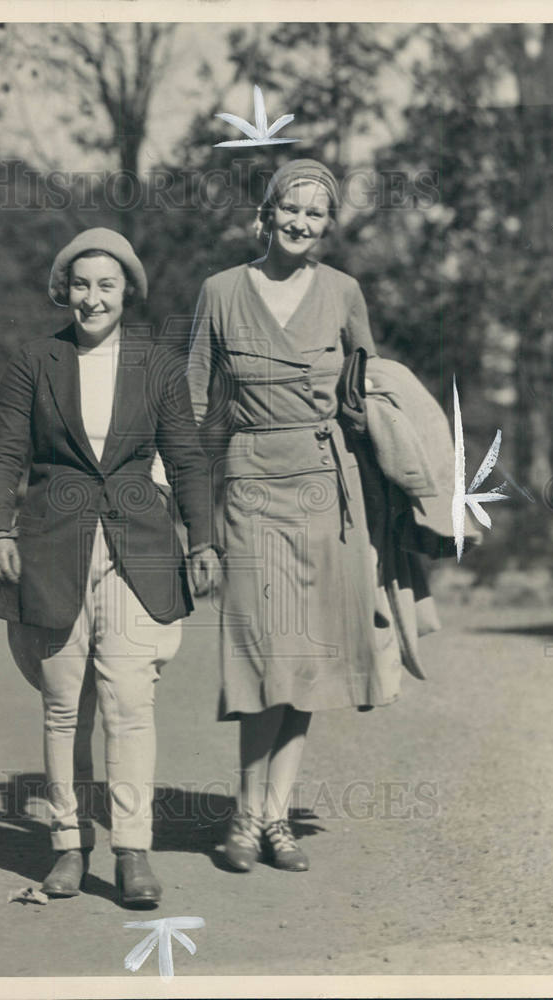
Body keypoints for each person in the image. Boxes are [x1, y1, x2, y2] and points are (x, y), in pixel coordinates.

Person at [0, 227, 221, 906]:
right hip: (53, 547)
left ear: (127, 293)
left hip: (139, 548)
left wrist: (203, 541)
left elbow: (190, 457)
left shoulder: (159, 365)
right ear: (65, 291)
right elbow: (2, 456)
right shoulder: (34, 361)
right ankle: (66, 849)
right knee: (63, 709)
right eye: (80, 285)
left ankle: (133, 853)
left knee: (130, 704)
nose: (92, 298)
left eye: (106, 285)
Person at [187, 159, 399, 874]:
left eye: (316, 214)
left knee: (304, 657)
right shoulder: (219, 292)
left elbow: (369, 401)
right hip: (249, 487)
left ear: (326, 226)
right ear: (267, 213)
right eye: (291, 210)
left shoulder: (344, 293)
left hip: (325, 490)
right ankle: (245, 817)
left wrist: (400, 502)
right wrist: (184, 509)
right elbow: (191, 404)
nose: (302, 224)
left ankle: (274, 818)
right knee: (260, 652)